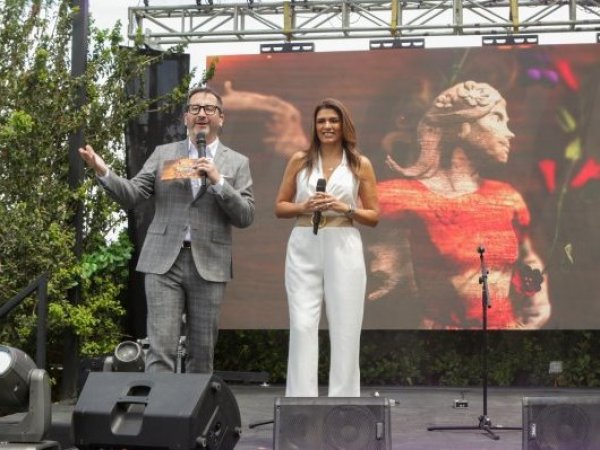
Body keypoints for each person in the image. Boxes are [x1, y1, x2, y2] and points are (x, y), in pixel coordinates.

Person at [78, 86, 255, 373]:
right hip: (163, 262)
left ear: (221, 118)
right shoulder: (164, 155)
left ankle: (196, 404)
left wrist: (219, 181)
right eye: (195, 108)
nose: (201, 113)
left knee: (202, 353)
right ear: (185, 117)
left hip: (209, 263)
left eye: (209, 108)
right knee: (161, 349)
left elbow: (245, 215)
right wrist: (103, 171)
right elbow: (133, 194)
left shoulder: (236, 162)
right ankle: (158, 403)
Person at [373, 80, 551, 329]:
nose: (509, 133)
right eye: (497, 118)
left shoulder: (507, 198)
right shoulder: (400, 197)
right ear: (462, 128)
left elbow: (528, 258)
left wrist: (538, 304)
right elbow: (382, 279)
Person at [275, 98, 379, 397]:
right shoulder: (300, 160)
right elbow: (280, 206)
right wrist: (304, 206)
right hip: (304, 242)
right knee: (302, 325)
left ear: (344, 125)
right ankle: (300, 401)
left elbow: (374, 216)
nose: (327, 126)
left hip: (343, 244)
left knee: (346, 327)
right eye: (321, 121)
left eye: (333, 120)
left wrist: (345, 207)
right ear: (314, 126)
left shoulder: (360, 164)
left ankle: (344, 403)